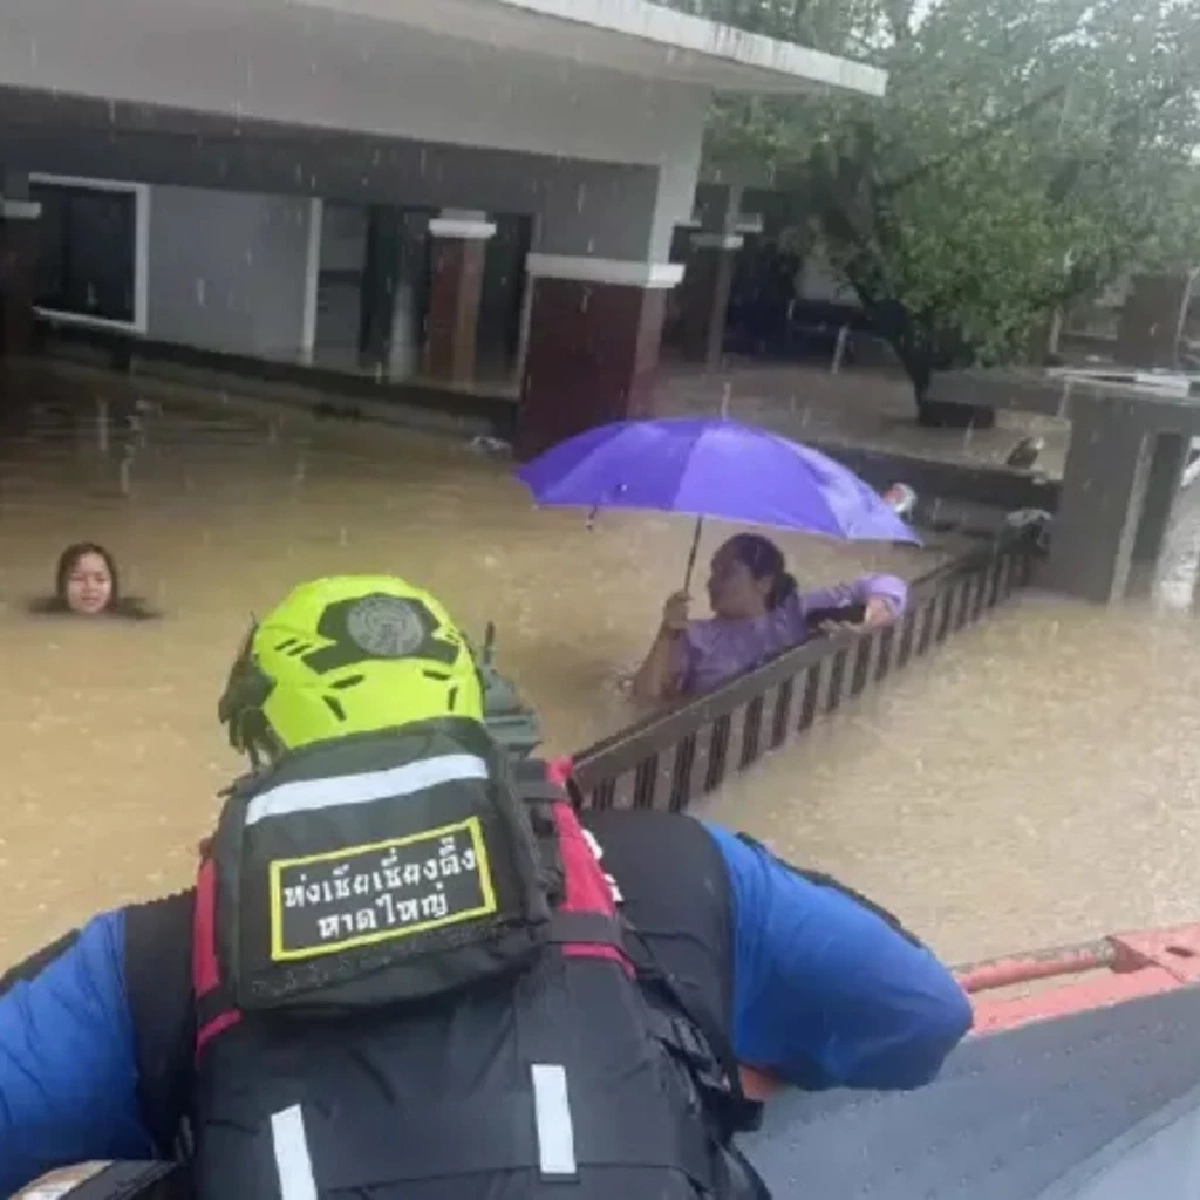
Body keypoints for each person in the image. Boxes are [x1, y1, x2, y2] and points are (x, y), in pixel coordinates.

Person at [0, 575, 970, 1200]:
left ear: (258, 741)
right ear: (478, 702)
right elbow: (921, 1019)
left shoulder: (147, 964)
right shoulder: (678, 866)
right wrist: (725, 1055)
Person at [633, 533, 908, 702]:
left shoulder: (795, 611)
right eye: (713, 571)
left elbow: (890, 585)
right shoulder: (694, 636)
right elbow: (643, 702)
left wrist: (868, 623)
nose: (712, 582)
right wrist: (666, 633)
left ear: (763, 583)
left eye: (726, 572)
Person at [30, 542, 156, 619]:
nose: (90, 587)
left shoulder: (132, 619)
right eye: (79, 579)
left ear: (113, 586)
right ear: (62, 585)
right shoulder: (43, 617)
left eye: (100, 580)